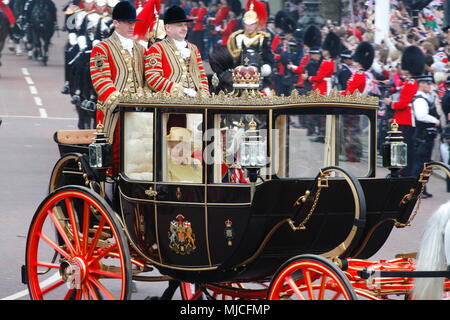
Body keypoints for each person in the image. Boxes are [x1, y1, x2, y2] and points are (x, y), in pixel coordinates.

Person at [89, 0, 146, 174]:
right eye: (127, 23)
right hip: (112, 113)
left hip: (137, 113)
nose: (131, 27)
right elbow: (101, 80)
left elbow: (146, 80)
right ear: (116, 23)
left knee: (139, 155)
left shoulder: (140, 49)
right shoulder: (102, 48)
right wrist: (120, 102)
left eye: (133, 23)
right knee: (114, 157)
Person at [144, 5, 209, 98]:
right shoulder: (157, 48)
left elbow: (202, 76)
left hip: (196, 102)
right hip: (169, 104)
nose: (184, 28)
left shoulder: (194, 49)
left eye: (185, 25)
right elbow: (153, 78)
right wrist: (182, 90)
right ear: (168, 28)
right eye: (179, 25)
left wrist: (204, 94)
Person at [384, 45, 425, 177]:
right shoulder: (411, 81)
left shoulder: (411, 82)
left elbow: (403, 103)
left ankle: (403, 173)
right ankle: (401, 172)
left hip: (404, 120)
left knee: (403, 149)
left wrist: (391, 103)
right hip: (404, 120)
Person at [411, 75, 441, 198]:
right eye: (428, 84)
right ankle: (415, 189)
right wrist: (435, 121)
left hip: (426, 135)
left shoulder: (426, 97)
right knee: (420, 164)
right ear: (422, 84)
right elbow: (421, 116)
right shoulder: (420, 99)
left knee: (424, 164)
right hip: (422, 136)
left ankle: (422, 188)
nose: (430, 86)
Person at [226, 0, 273, 76]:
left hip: (259, 73)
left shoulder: (263, 38)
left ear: (256, 24)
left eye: (252, 24)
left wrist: (266, 69)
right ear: (244, 24)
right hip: (239, 73)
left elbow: (268, 58)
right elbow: (232, 57)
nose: (249, 27)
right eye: (247, 24)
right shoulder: (236, 37)